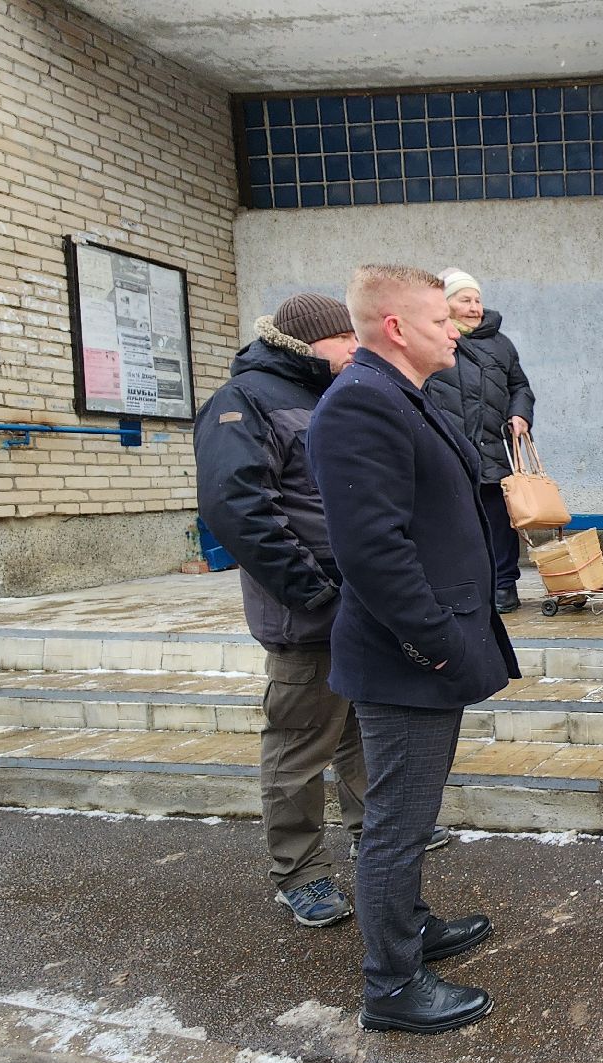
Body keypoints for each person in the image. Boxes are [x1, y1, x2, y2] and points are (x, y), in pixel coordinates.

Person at [308, 265, 521, 1035]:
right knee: (397, 824)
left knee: (411, 813)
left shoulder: (402, 396)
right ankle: (391, 985)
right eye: (441, 320)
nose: (455, 330)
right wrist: (434, 645)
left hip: (429, 646)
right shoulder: (361, 405)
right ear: (395, 326)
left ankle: (412, 926)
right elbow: (373, 552)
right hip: (407, 656)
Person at [196, 294, 372, 927]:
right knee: (300, 744)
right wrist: (311, 589)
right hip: (308, 610)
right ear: (307, 342)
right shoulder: (244, 401)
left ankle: (370, 832)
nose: (356, 347)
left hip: (358, 603)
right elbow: (238, 508)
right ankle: (299, 870)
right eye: (344, 338)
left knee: (358, 729)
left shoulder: (326, 394)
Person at [424, 268, 535, 614]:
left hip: (493, 448)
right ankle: (461, 586)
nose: (474, 306)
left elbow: (520, 387)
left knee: (499, 523)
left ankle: (504, 586)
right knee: (454, 522)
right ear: (446, 303)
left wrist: (521, 414)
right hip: (449, 449)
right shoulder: (433, 339)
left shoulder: (500, 344)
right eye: (464, 299)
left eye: (477, 299)